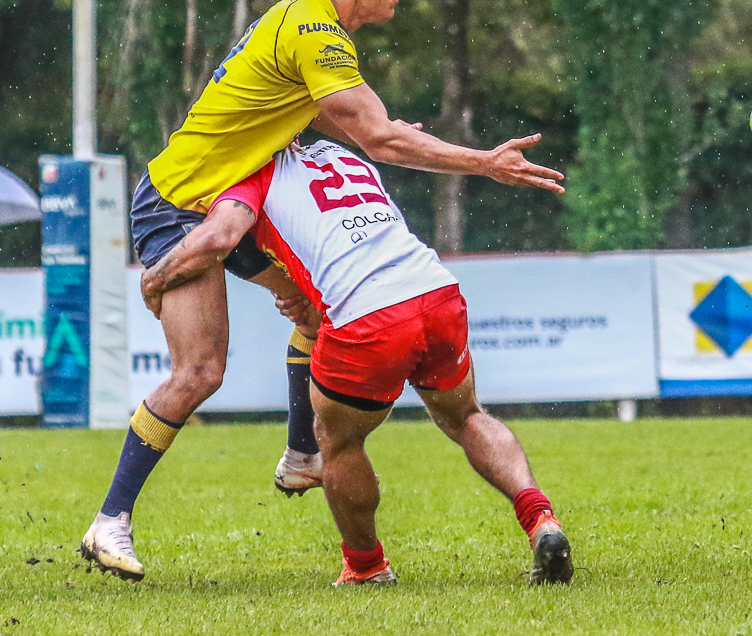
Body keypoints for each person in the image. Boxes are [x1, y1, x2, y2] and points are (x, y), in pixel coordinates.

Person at [80, 0, 565, 583]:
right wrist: (483, 161)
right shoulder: (315, 31)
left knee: (316, 316)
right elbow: (380, 139)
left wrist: (387, 129)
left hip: (233, 202)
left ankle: (302, 455)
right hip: (182, 204)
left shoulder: (304, 21)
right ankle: (110, 522)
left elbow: (355, 122)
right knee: (202, 371)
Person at [135, 140, 573, 586]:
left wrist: (154, 279)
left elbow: (217, 239)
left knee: (337, 441)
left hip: (367, 315)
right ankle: (540, 518)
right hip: (435, 289)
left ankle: (366, 566)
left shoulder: (252, 174)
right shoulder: (340, 155)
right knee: (466, 416)